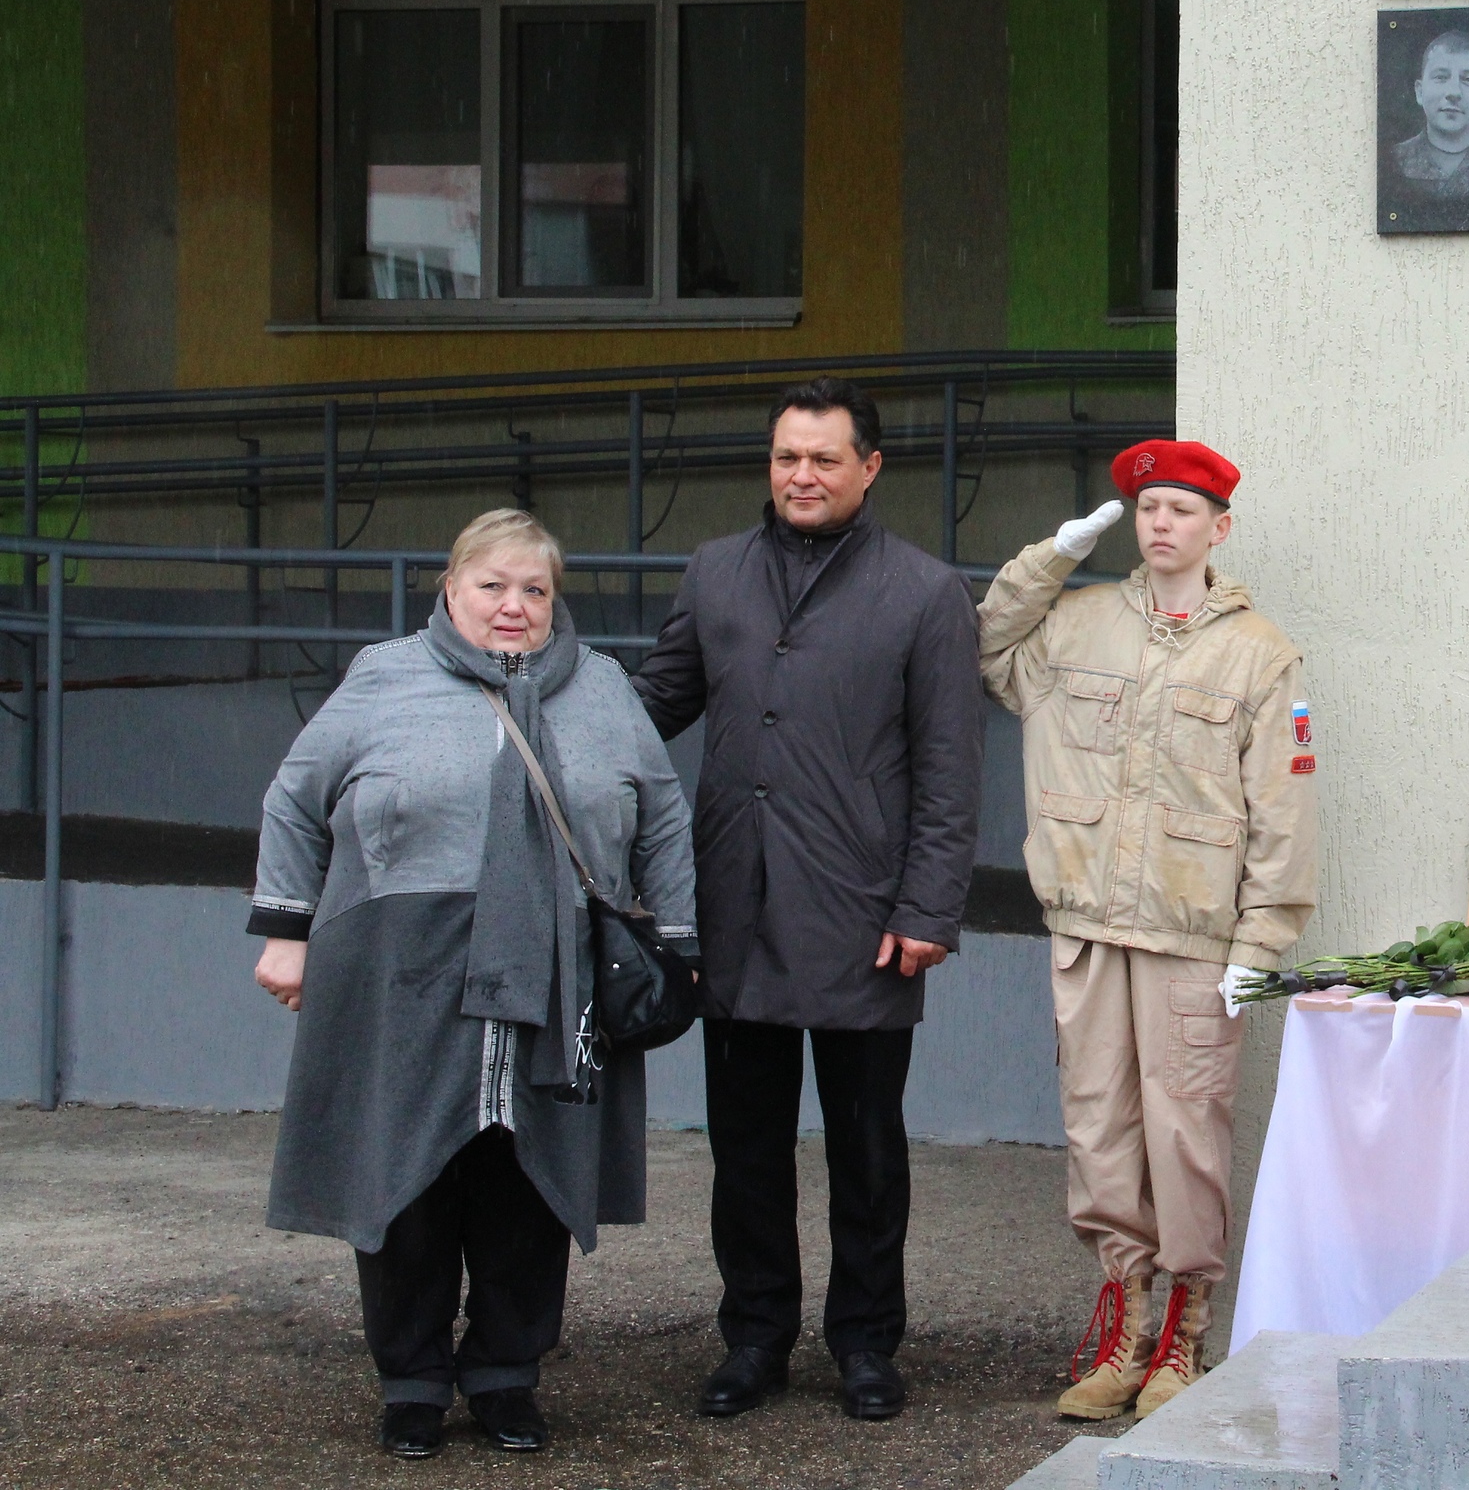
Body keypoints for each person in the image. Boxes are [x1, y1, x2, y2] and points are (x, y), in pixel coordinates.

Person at [249, 509, 696, 1460]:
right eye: (493, 584)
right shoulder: (384, 674)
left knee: (528, 1177)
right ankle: (410, 1380)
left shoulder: (604, 688)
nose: (514, 606)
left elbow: (662, 816)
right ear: (450, 590)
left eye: (535, 589)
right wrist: (287, 931)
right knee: (408, 1173)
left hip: (560, 969)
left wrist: (678, 946)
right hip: (400, 968)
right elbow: (295, 797)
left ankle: (505, 1374)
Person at [629, 378, 983, 1423]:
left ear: (868, 468)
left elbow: (950, 771)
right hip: (734, 909)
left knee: (866, 1152)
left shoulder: (925, 593)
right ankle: (755, 1339)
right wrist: (546, 724)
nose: (803, 476)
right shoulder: (715, 572)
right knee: (744, 1153)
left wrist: (928, 910)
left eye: (824, 459)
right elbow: (655, 703)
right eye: (788, 457)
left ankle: (867, 1344)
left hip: (867, 918)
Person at [979, 440, 1316, 1422]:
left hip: (1194, 942)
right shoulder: (1076, 625)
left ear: (1219, 528)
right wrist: (1053, 555)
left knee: (1186, 1139)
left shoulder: (1261, 652)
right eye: (1147, 508)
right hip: (1088, 928)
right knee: (1099, 1132)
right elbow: (989, 643)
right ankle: (1123, 1327)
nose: (1161, 523)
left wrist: (1259, 953)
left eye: (1181, 509)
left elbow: (1284, 817)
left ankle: (1184, 1334)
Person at [1391, 31, 1469, 199]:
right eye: (1441, 77)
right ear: (1419, 92)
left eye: (1468, 79)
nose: (1454, 92)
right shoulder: (1395, 160)